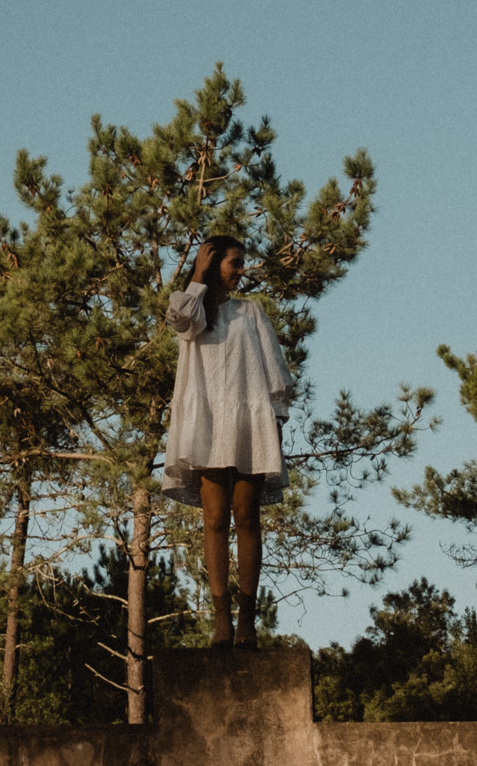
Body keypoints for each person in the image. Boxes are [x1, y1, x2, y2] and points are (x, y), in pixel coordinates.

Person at [162, 235, 294, 649]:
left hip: (247, 419)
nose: (241, 270)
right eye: (234, 263)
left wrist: (276, 419)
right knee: (215, 518)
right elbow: (180, 320)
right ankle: (221, 622)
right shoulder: (193, 309)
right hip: (206, 424)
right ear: (214, 263)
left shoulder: (251, 311)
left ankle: (247, 622)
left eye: (242, 263)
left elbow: (274, 370)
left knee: (247, 516)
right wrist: (198, 274)